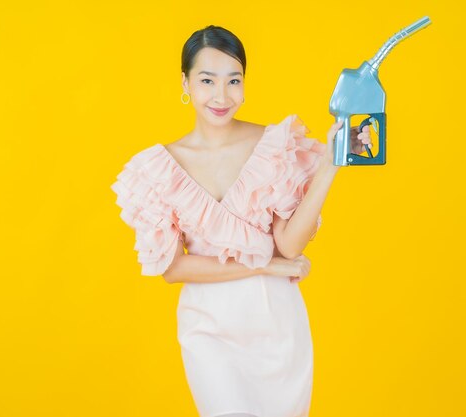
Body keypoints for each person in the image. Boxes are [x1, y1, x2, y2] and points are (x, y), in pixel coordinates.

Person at [111, 25, 372, 417]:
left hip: (276, 324)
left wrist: (330, 168)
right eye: (207, 80)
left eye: (234, 80)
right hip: (209, 326)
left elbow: (290, 246)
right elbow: (172, 267)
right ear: (185, 82)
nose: (221, 95)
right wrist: (265, 264)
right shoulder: (158, 168)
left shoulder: (274, 144)